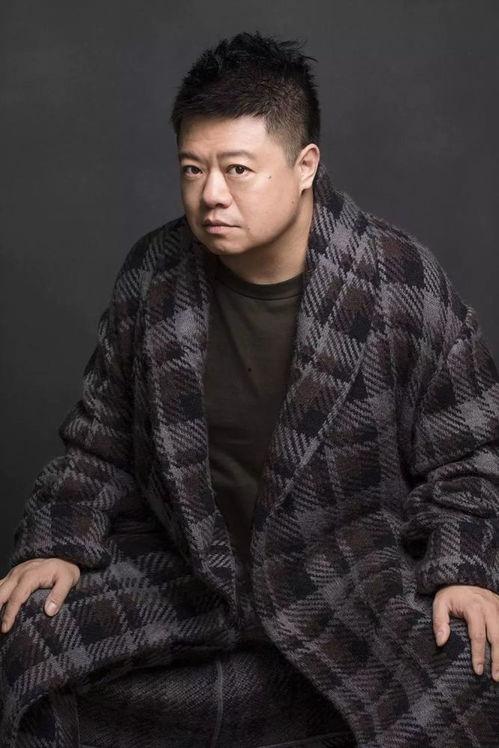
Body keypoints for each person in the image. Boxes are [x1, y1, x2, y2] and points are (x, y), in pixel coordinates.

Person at [1, 30, 498, 748]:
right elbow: (99, 443)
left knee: (474, 665)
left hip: (351, 585)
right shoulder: (153, 274)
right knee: (27, 645)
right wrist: (58, 543)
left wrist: (463, 570)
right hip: (188, 580)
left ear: (305, 165)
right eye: (192, 169)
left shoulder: (399, 279)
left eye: (237, 169)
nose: (211, 195)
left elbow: (472, 455)